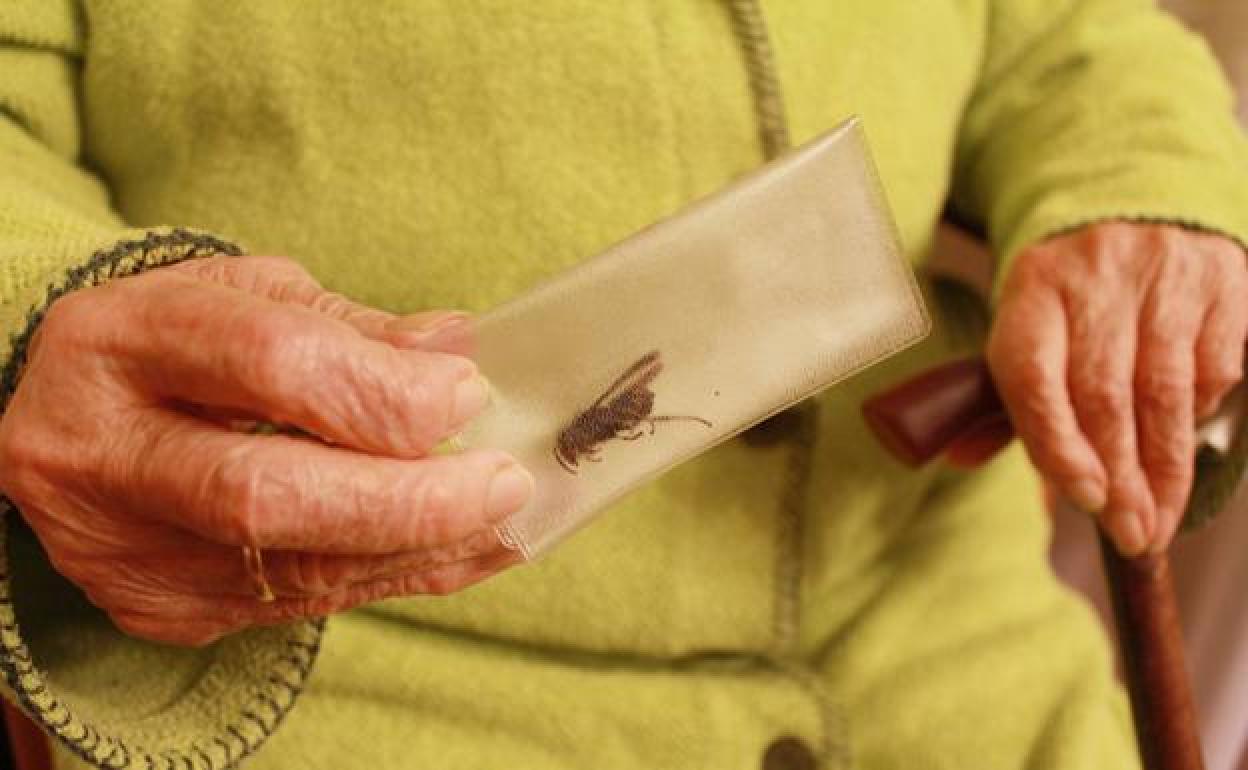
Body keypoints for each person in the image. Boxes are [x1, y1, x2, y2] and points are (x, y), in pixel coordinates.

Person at [0, 2, 1245, 768]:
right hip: (355, 672)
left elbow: (1069, 28)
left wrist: (1140, 181)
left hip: (947, 636)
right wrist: (31, 319)